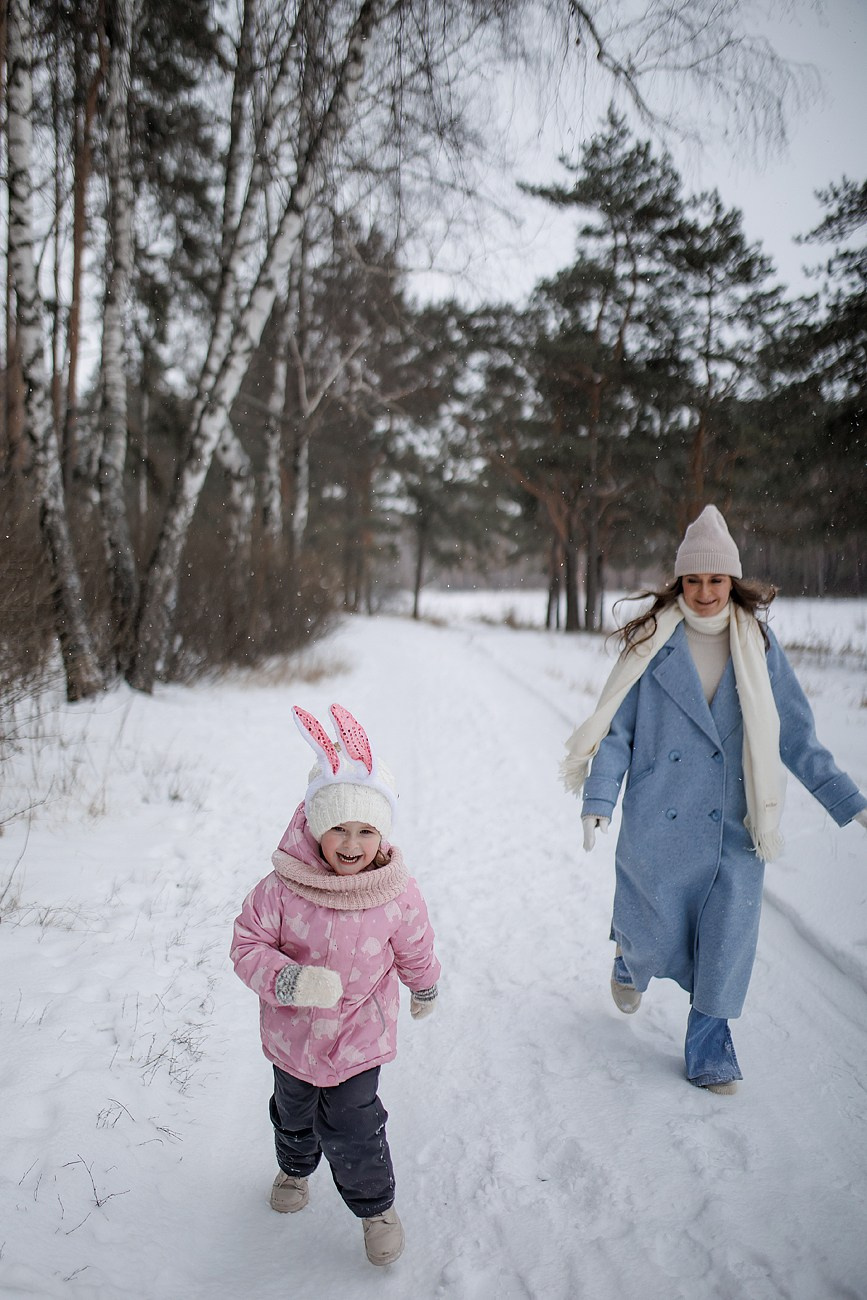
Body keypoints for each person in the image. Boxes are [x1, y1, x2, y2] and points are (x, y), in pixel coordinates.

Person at [562, 506, 867, 1095]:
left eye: (716, 580)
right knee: (651, 925)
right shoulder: (652, 644)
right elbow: (618, 731)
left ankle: (710, 1049)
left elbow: (794, 734)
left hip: (736, 821)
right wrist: (599, 797)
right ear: (680, 583)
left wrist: (847, 800)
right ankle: (630, 957)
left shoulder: (758, 644)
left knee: (727, 939)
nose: (705, 592)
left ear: (733, 582)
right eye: (694, 580)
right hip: (659, 813)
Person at [231, 703, 440, 1265]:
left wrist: (423, 986)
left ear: (384, 832)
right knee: (293, 1113)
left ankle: (375, 1209)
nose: (351, 844)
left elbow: (415, 946)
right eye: (338, 828)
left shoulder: (396, 892)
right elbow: (246, 946)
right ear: (314, 827)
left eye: (366, 830)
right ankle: (294, 1170)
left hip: (358, 1038)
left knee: (352, 1123)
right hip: (291, 1039)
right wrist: (290, 980)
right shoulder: (281, 888)